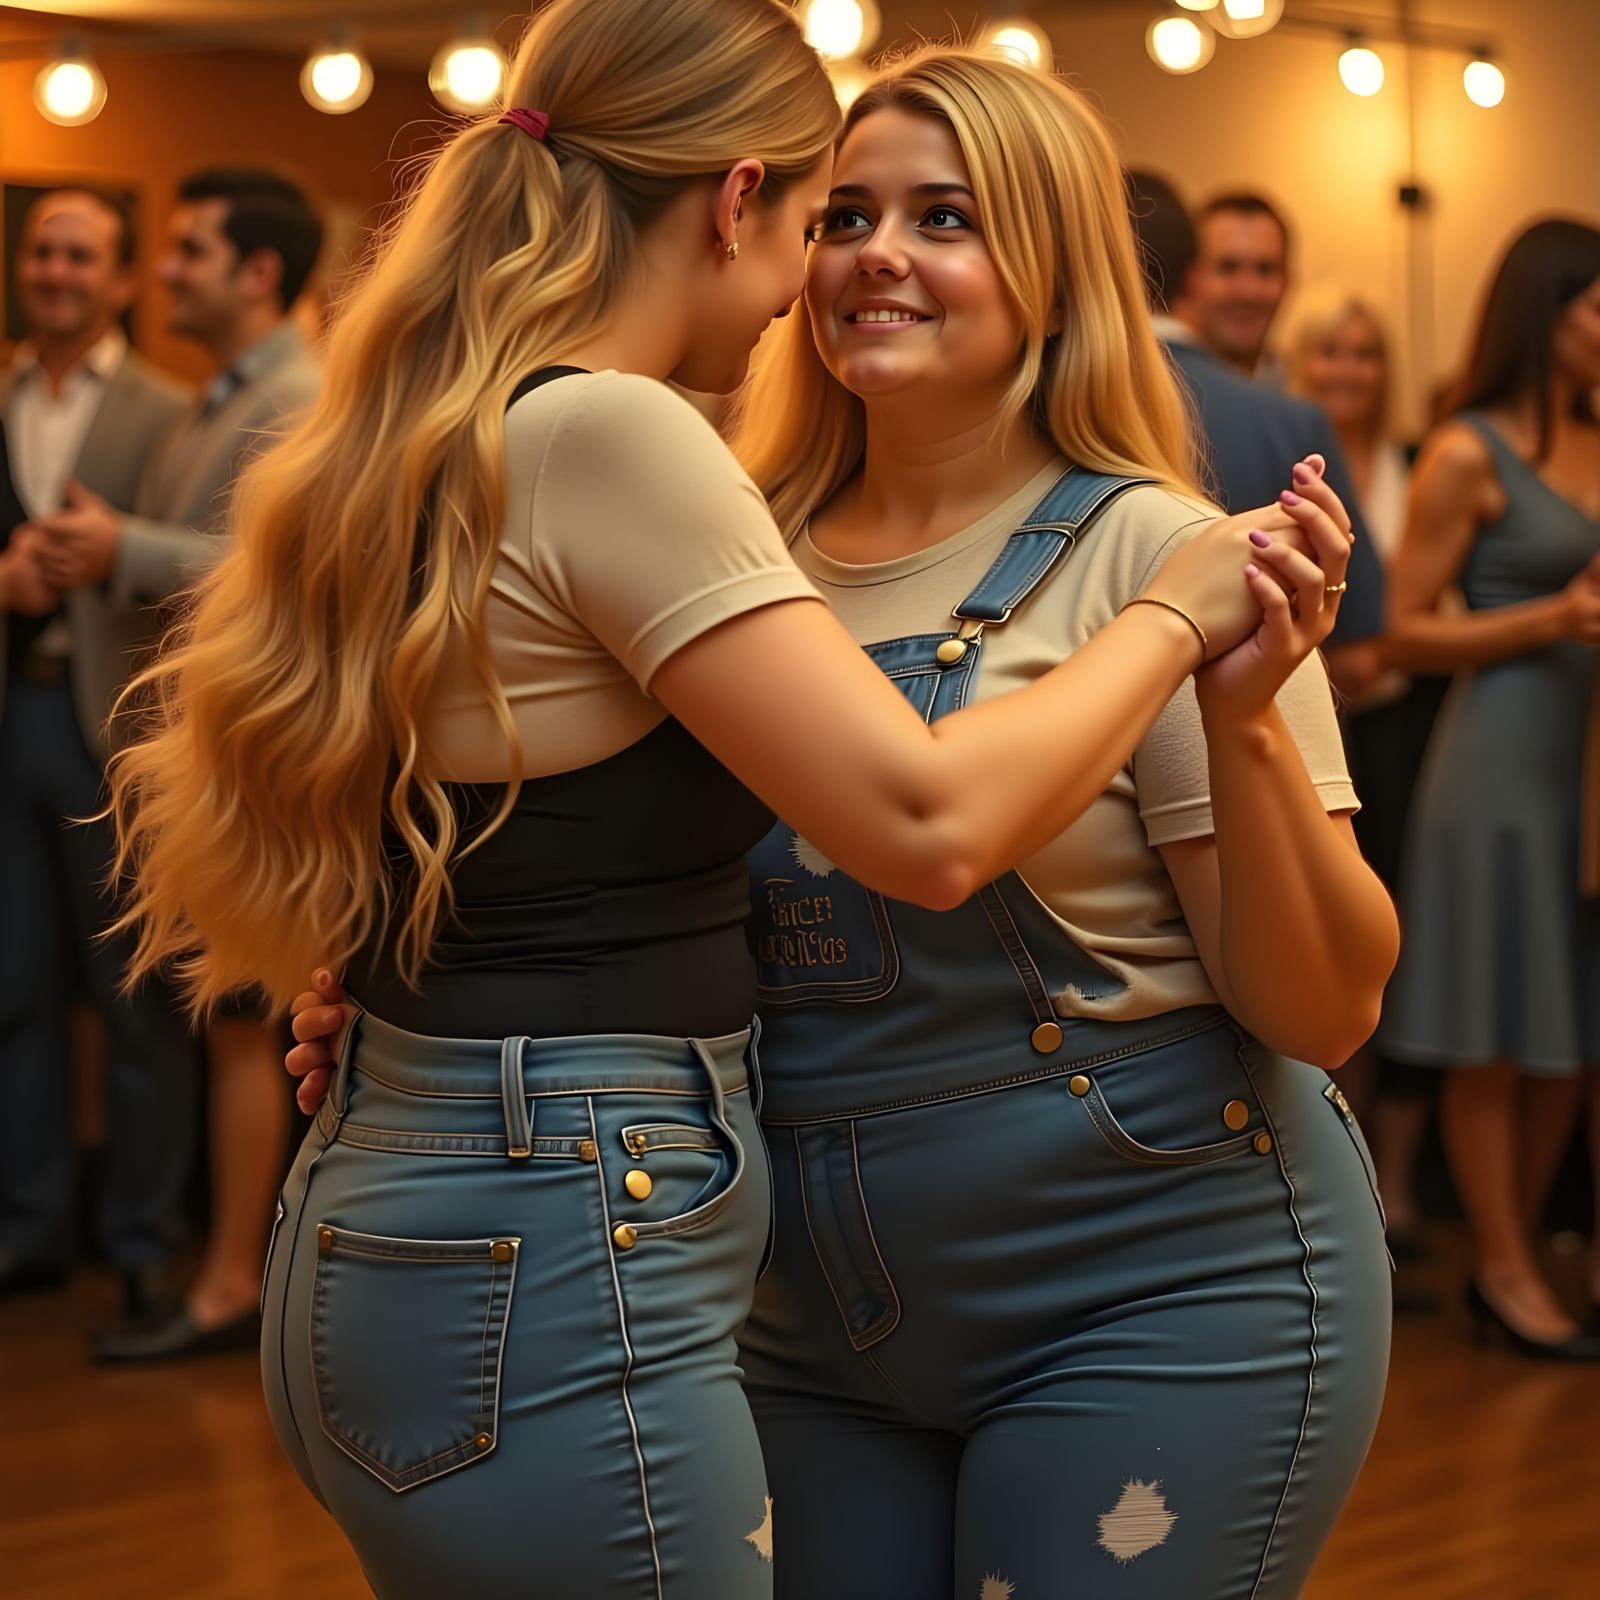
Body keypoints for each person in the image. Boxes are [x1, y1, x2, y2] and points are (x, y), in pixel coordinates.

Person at [277, 34, 1393, 1597]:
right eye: (844, 215)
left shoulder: (1162, 552)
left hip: (1149, 1288)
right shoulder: (717, 538)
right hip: (786, 1311)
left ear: (1056, 275)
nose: (876, 254)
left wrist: (1243, 711)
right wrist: (416, 1005)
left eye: (946, 219)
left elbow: (1323, 1008)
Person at [30, 168, 326, 1363]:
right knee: (224, 1023)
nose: (167, 270)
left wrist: (120, 547)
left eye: (190, 249)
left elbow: (277, 569)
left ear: (257, 272)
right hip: (200, 752)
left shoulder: (296, 394)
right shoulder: (224, 391)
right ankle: (221, 1272)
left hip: (259, 759)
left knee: (245, 1022)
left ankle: (229, 1288)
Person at [1380, 218, 1600, 1360]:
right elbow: (1404, 631)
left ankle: (1520, 1252)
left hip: (1585, 770)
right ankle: (1505, 1270)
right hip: (1498, 765)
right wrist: (1552, 617)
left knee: (1567, 1031)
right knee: (1493, 1030)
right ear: (1545, 314)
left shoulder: (1598, 433)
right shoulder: (1467, 451)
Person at [0, 188, 193, 1317]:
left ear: (121, 280)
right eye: (43, 251)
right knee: (14, 990)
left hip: (114, 735)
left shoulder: (169, 411)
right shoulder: (1, 393)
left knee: (134, 1000)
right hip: (13, 721)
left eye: (82, 256)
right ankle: (29, 1230)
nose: (57, 271)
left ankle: (141, 1244)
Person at [1283, 285, 1446, 1255]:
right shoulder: (1284, 454)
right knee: (1325, 956)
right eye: (1331, 352)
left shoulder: (1413, 461)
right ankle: (1330, 1188)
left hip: (1400, 737)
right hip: (1307, 734)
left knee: (1399, 955)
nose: (1349, 371)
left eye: (1366, 353)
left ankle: (1394, 1191)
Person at [1127, 171, 1386, 698]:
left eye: (1265, 270)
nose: (1247, 290)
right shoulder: (1285, 422)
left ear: (1289, 280)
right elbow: (1358, 655)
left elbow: (1361, 647)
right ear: (1191, 276)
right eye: (1228, 268)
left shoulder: (1297, 414)